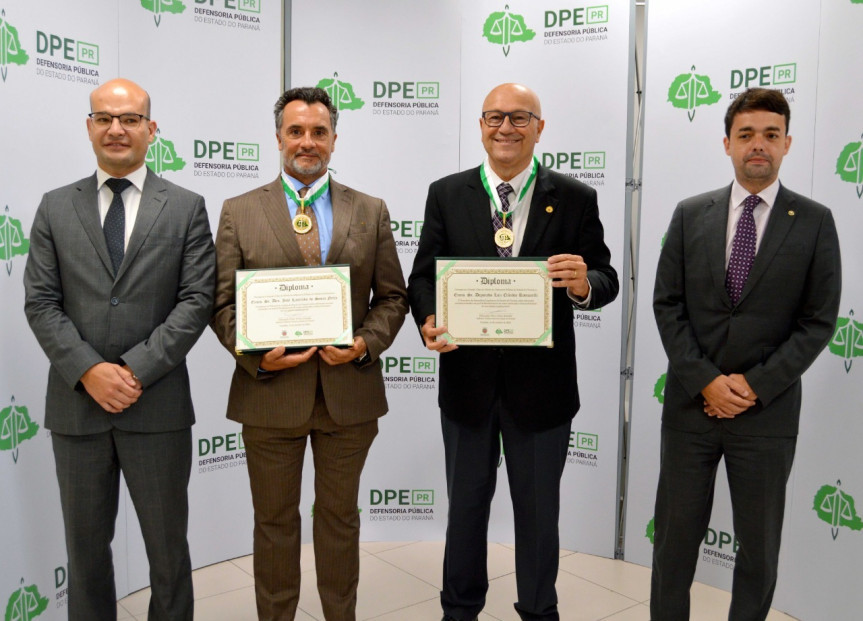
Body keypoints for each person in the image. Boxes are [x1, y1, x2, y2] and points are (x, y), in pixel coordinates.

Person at [407, 83, 619, 621]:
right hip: (467, 385)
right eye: (495, 117)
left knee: (539, 515)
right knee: (465, 512)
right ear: (481, 126)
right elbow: (423, 276)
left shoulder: (575, 196)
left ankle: (539, 610)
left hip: (543, 391)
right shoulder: (446, 193)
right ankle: (459, 611)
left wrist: (583, 284)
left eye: (520, 118)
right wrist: (428, 318)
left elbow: (606, 276)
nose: (507, 128)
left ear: (539, 128)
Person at [210, 86, 408, 621]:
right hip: (269, 394)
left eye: (319, 132)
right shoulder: (238, 211)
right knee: (274, 523)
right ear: (278, 138)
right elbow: (220, 303)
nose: (307, 142)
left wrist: (365, 343)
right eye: (295, 131)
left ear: (334, 140)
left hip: (349, 397)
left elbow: (393, 297)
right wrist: (255, 357)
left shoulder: (370, 210)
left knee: (340, 521)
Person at [23, 78, 215, 620]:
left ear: (151, 130)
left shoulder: (185, 207)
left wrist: (133, 370)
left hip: (157, 408)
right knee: (84, 557)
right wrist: (89, 371)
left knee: (168, 556)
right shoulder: (55, 207)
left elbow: (197, 300)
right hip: (77, 410)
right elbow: (40, 302)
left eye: (129, 119)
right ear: (88, 127)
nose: (116, 129)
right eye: (104, 118)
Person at [651, 88, 842, 620]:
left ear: (787, 144)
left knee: (758, 550)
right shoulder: (691, 214)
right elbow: (667, 305)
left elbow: (818, 320)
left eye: (770, 134)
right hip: (691, 409)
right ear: (727, 144)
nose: (758, 144)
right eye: (746, 134)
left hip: (766, 415)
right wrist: (706, 381)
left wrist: (754, 386)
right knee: (673, 543)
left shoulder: (815, 221)